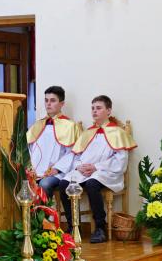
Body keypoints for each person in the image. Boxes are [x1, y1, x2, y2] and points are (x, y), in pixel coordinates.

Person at [56, 95, 136, 243]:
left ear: (109, 111)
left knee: (92, 184)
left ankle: (100, 227)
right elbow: (77, 155)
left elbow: (120, 161)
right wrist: (80, 166)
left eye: (98, 108)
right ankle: (74, 226)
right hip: (85, 171)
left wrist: (96, 167)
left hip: (106, 172)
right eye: (92, 108)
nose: (94, 111)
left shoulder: (118, 132)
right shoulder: (88, 133)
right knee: (63, 184)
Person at [26, 86, 79, 200]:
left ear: (61, 104)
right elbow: (30, 149)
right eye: (46, 100)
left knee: (44, 184)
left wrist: (57, 169)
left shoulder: (70, 126)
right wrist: (29, 168)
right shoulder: (37, 125)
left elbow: (73, 152)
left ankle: (45, 212)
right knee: (22, 184)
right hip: (35, 172)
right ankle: (30, 213)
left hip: (57, 172)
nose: (48, 104)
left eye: (53, 100)